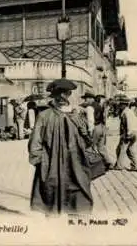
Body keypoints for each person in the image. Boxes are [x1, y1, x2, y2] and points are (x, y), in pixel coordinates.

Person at [28, 78, 93, 215]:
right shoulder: (44, 116)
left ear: (69, 94)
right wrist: (40, 161)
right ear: (54, 95)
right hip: (51, 163)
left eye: (66, 93)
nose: (63, 97)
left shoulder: (76, 115)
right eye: (60, 94)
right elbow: (35, 142)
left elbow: (87, 139)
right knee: (51, 196)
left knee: (79, 193)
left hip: (75, 163)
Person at [112, 97, 137, 172]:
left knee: (121, 149)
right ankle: (136, 166)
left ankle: (119, 166)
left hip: (128, 134)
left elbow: (130, 124)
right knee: (129, 150)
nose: (119, 106)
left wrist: (128, 135)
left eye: (120, 104)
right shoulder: (128, 111)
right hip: (132, 133)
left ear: (124, 105)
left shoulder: (126, 113)